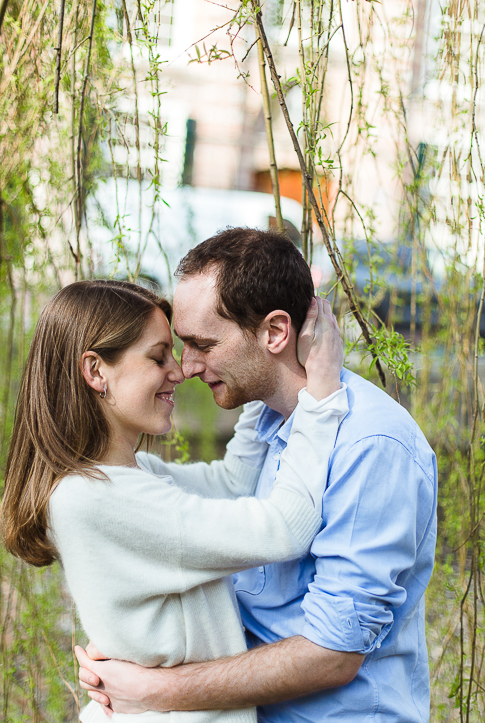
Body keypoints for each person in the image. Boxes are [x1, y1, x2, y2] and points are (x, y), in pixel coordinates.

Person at [76, 228, 438, 722]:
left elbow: (334, 654)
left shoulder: (371, 445)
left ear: (274, 333)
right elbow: (174, 495)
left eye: (202, 344)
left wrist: (155, 689)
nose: (187, 367)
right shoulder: (270, 419)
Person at [1, 278, 350, 723]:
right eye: (157, 356)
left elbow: (232, 484)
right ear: (96, 371)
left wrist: (260, 379)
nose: (180, 370)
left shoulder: (124, 478)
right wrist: (321, 394)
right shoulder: (98, 499)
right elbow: (286, 529)